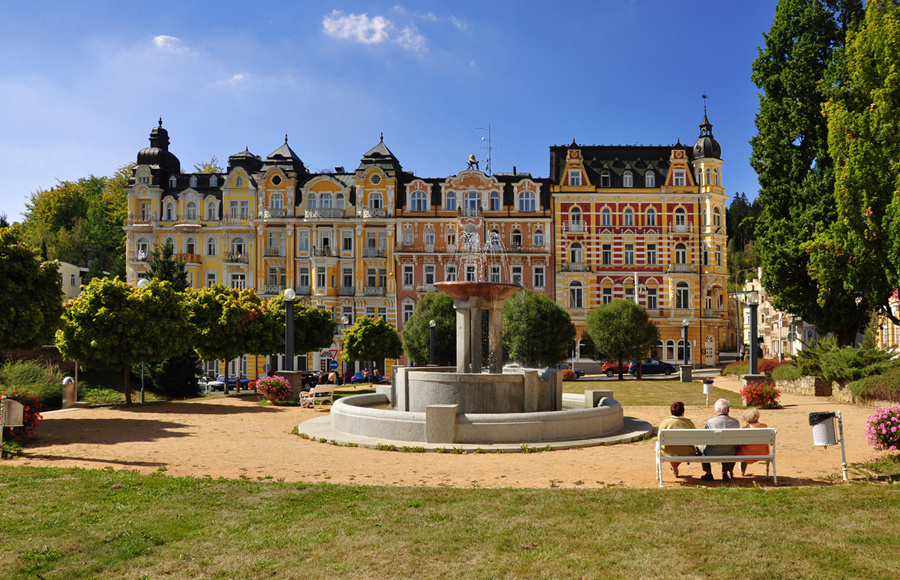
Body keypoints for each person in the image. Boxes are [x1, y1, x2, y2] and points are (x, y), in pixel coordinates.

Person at [700, 398, 740, 482]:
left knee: (700, 447)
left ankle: (708, 473)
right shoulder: (736, 422)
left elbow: (705, 439)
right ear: (728, 409)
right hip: (730, 452)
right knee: (727, 446)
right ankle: (725, 473)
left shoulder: (710, 422)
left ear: (716, 409)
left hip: (712, 452)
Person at [658, 401, 697, 477]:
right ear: (683, 411)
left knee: (671, 450)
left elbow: (659, 438)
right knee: (680, 449)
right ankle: (675, 469)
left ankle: (675, 469)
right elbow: (694, 437)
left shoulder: (665, 423)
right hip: (686, 452)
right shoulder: (689, 422)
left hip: (668, 452)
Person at [736, 407, 770, 476]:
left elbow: (740, 444)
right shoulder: (764, 426)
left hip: (746, 454)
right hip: (762, 452)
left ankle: (742, 471)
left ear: (747, 419)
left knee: (742, 449)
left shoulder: (745, 430)